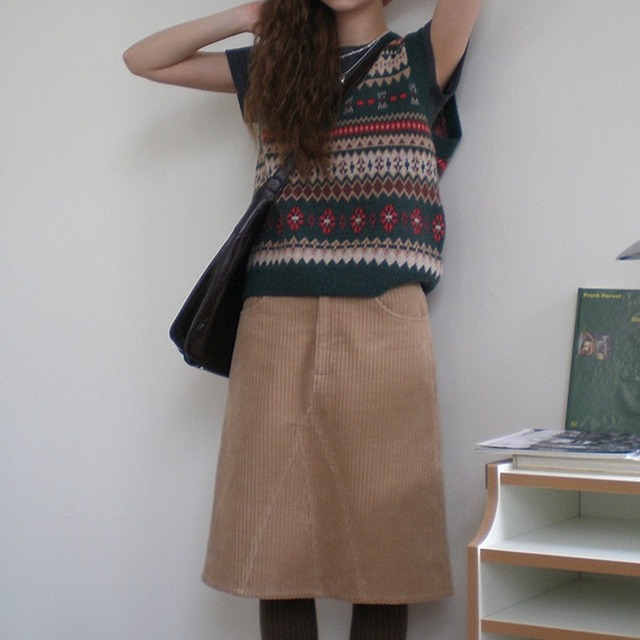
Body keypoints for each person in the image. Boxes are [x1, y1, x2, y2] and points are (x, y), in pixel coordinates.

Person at [124, 1, 483, 638]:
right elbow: (143, 59)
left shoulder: (418, 58)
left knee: (386, 540)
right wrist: (249, 15)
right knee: (273, 542)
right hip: (274, 321)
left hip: (385, 320)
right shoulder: (276, 71)